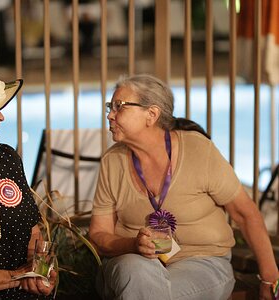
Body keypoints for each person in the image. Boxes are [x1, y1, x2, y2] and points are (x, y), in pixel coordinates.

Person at [89, 73, 278, 300]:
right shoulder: (113, 162)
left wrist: (270, 278)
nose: (110, 115)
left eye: (119, 107)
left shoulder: (199, 150)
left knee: (146, 291)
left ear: (151, 114)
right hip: (135, 263)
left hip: (203, 262)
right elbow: (99, 235)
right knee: (134, 271)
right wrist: (133, 245)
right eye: (110, 107)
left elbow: (245, 214)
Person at [0, 70, 57, 299]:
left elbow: (33, 229)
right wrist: (17, 277)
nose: (1, 118)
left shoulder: (6, 159)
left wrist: (39, 270)